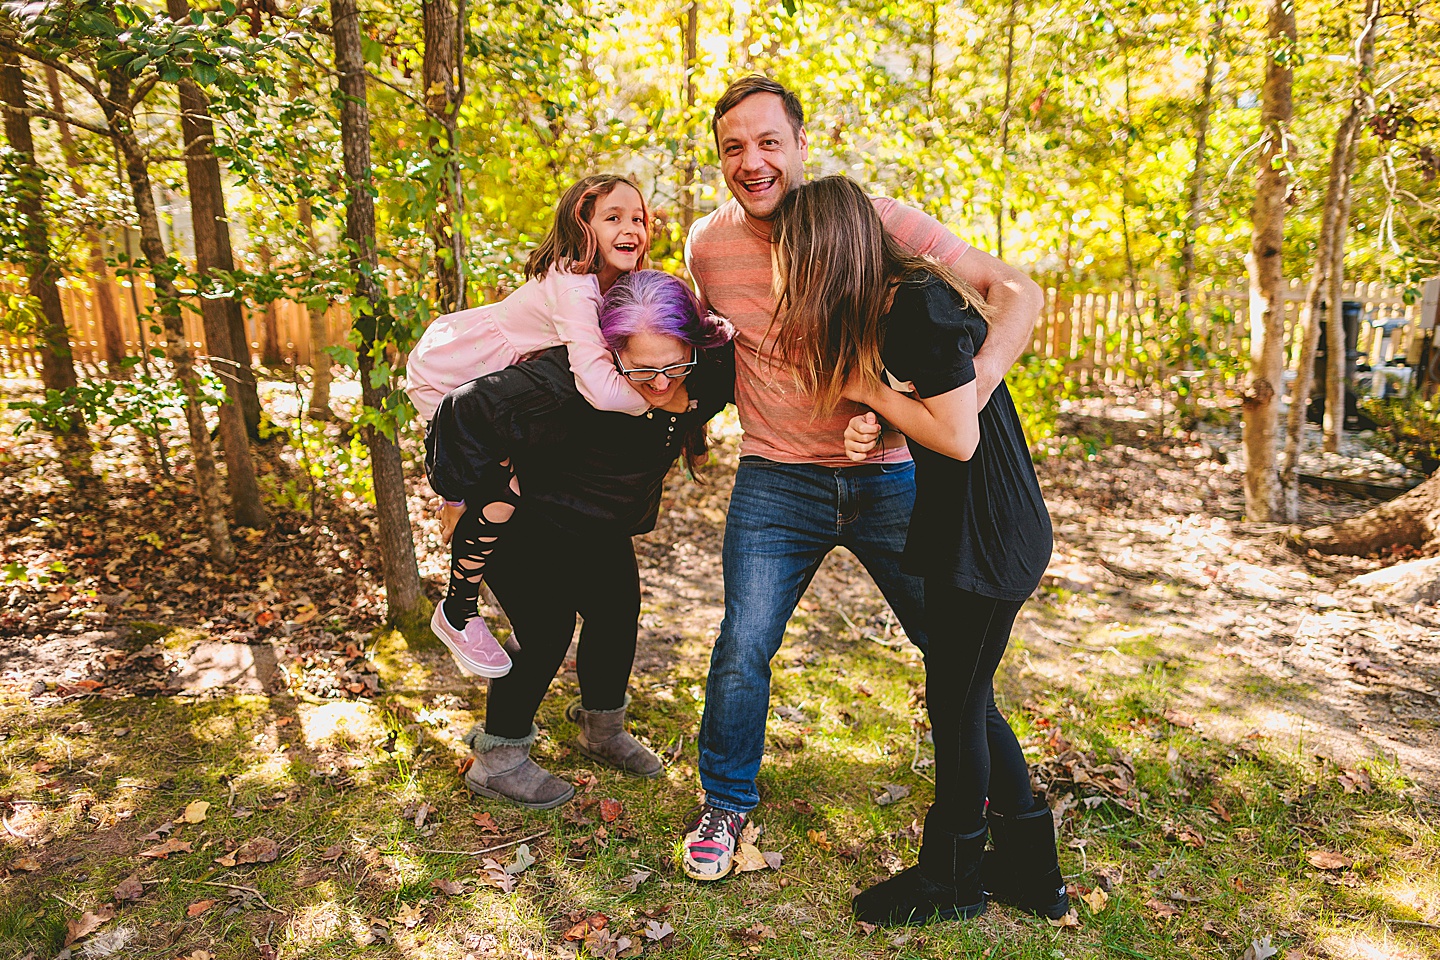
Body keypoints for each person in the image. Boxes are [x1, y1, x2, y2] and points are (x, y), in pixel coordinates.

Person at [679, 74, 1045, 881]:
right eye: (733, 147)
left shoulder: (880, 225)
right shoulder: (705, 246)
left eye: (769, 141)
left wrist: (962, 401)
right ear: (718, 159)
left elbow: (1015, 290)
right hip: (776, 480)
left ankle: (1004, 808)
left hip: (891, 483)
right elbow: (712, 351)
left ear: (802, 144)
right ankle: (725, 803)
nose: (753, 160)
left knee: (953, 654)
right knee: (743, 644)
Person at [770, 174, 1066, 925]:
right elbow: (947, 406)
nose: (787, 274)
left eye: (793, 257)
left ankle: (956, 880)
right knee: (964, 697)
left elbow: (961, 438)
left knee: (957, 705)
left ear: (826, 251)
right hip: (977, 521)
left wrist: (869, 395)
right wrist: (885, 415)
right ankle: (1031, 875)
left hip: (987, 530)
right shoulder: (897, 302)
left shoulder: (918, 308)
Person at [425, 271, 734, 809]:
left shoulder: (710, 371)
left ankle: (601, 730)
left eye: (673, 365)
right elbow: (463, 411)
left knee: (617, 611)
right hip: (526, 524)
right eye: (642, 367)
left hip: (600, 522)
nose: (660, 382)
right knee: (547, 630)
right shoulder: (562, 383)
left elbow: (716, 389)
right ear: (609, 352)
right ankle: (497, 759)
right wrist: (457, 497)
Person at [407, 175, 654, 680]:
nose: (630, 227)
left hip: (508, 394)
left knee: (511, 483)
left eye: (638, 218)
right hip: (456, 376)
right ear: (581, 224)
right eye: (613, 217)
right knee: (502, 491)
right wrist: (662, 397)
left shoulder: (611, 284)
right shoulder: (572, 281)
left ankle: (458, 512)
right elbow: (598, 387)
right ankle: (456, 609)